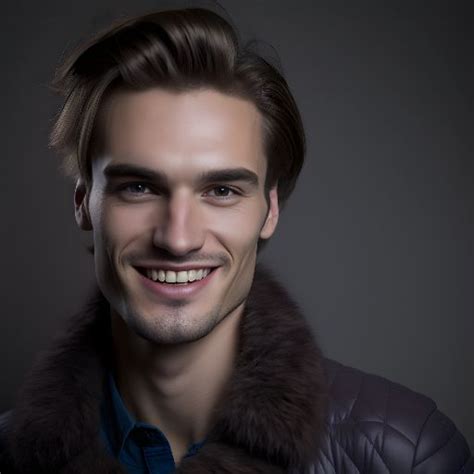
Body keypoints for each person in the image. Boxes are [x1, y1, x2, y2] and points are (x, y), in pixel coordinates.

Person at [0, 6, 472, 474]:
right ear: (84, 202)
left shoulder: (403, 454)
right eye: (138, 187)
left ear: (270, 210)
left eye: (221, 190)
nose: (178, 238)